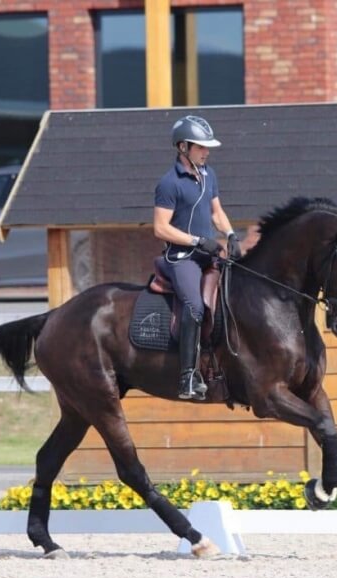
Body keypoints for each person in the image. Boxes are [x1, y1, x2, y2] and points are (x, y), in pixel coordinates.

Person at [153, 115, 242, 401]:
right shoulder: (169, 183)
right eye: (201, 147)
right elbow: (160, 228)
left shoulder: (209, 175)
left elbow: (216, 213)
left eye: (207, 147)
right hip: (182, 258)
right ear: (183, 147)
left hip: (207, 255)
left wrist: (230, 234)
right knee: (194, 307)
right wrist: (196, 240)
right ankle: (187, 378)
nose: (207, 152)